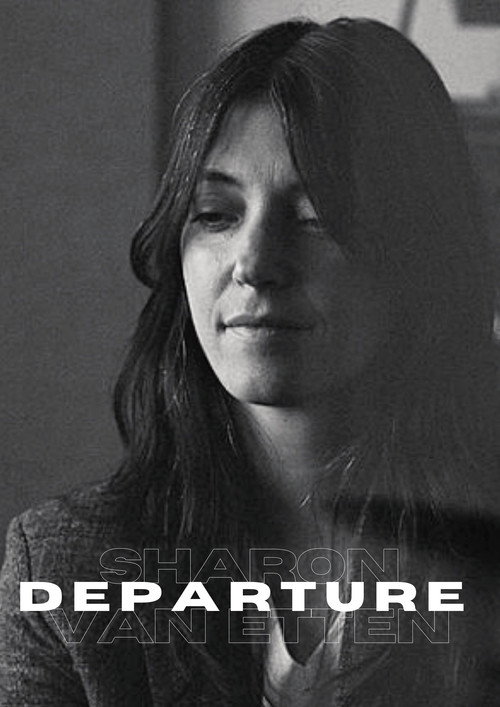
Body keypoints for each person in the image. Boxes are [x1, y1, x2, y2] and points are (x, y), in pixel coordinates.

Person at [1, 16, 499, 706]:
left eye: (315, 216)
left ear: (417, 253)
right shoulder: (66, 567)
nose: (256, 263)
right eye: (215, 213)